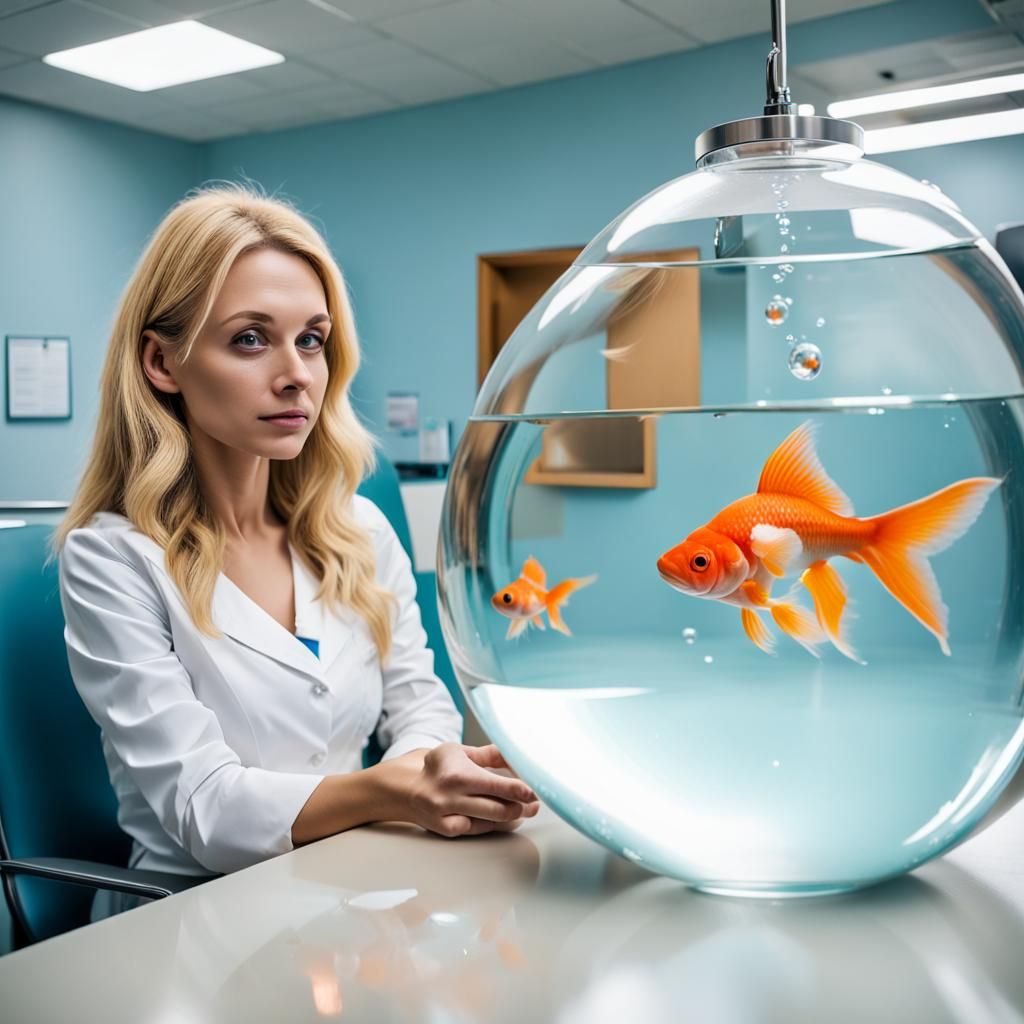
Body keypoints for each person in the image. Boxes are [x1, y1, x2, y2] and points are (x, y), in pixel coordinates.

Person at [52, 184, 539, 918]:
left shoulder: (360, 531)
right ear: (161, 362)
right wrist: (400, 790)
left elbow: (421, 707)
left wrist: (436, 770)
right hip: (184, 922)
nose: (297, 374)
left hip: (353, 885)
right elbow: (205, 809)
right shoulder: (112, 561)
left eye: (311, 338)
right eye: (251, 338)